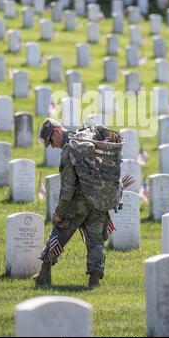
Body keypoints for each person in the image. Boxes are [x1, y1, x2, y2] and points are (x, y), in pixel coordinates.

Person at [33, 118, 113, 288]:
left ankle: (44, 272)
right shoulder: (87, 141)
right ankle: (94, 279)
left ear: (56, 132)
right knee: (95, 240)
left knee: (59, 232)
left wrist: (59, 211)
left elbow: (68, 187)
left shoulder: (69, 150)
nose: (52, 146)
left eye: (51, 142)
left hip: (78, 203)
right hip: (98, 199)